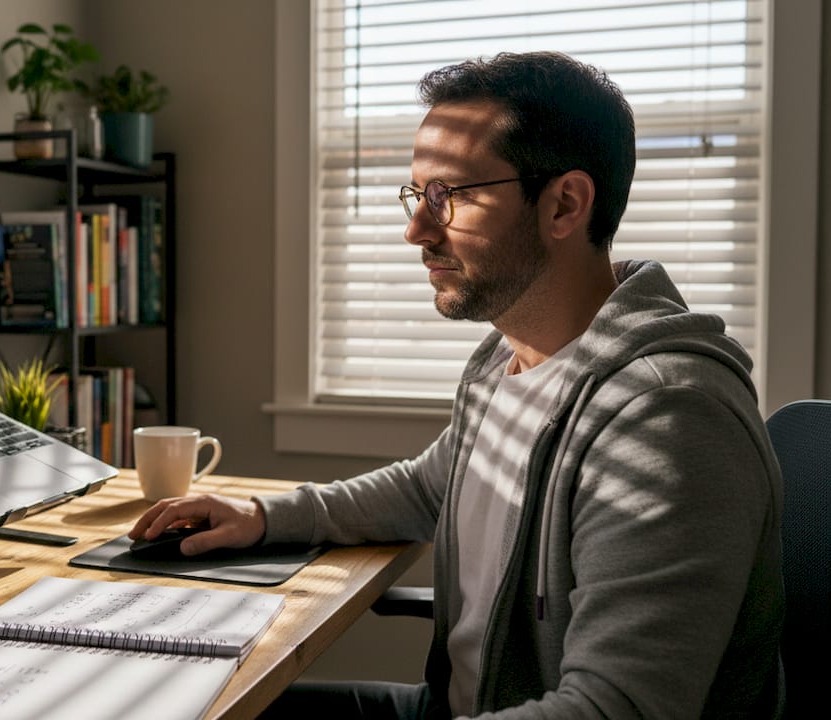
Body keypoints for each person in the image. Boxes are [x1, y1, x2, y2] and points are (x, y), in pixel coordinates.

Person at [129, 51, 785, 719]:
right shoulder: (508, 359)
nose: (417, 230)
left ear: (564, 205)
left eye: (454, 195)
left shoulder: (666, 418)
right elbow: (428, 486)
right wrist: (265, 516)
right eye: (419, 194)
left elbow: (615, 710)